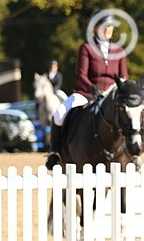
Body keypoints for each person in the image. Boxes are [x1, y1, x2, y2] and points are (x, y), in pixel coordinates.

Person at [45, 13, 130, 168]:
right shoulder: (87, 48)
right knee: (59, 113)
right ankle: (54, 152)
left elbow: (123, 77)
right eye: (105, 26)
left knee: (129, 114)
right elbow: (81, 75)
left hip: (110, 96)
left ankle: (132, 151)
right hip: (87, 93)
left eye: (110, 26)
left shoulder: (119, 51)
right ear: (96, 28)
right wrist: (92, 88)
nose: (109, 29)